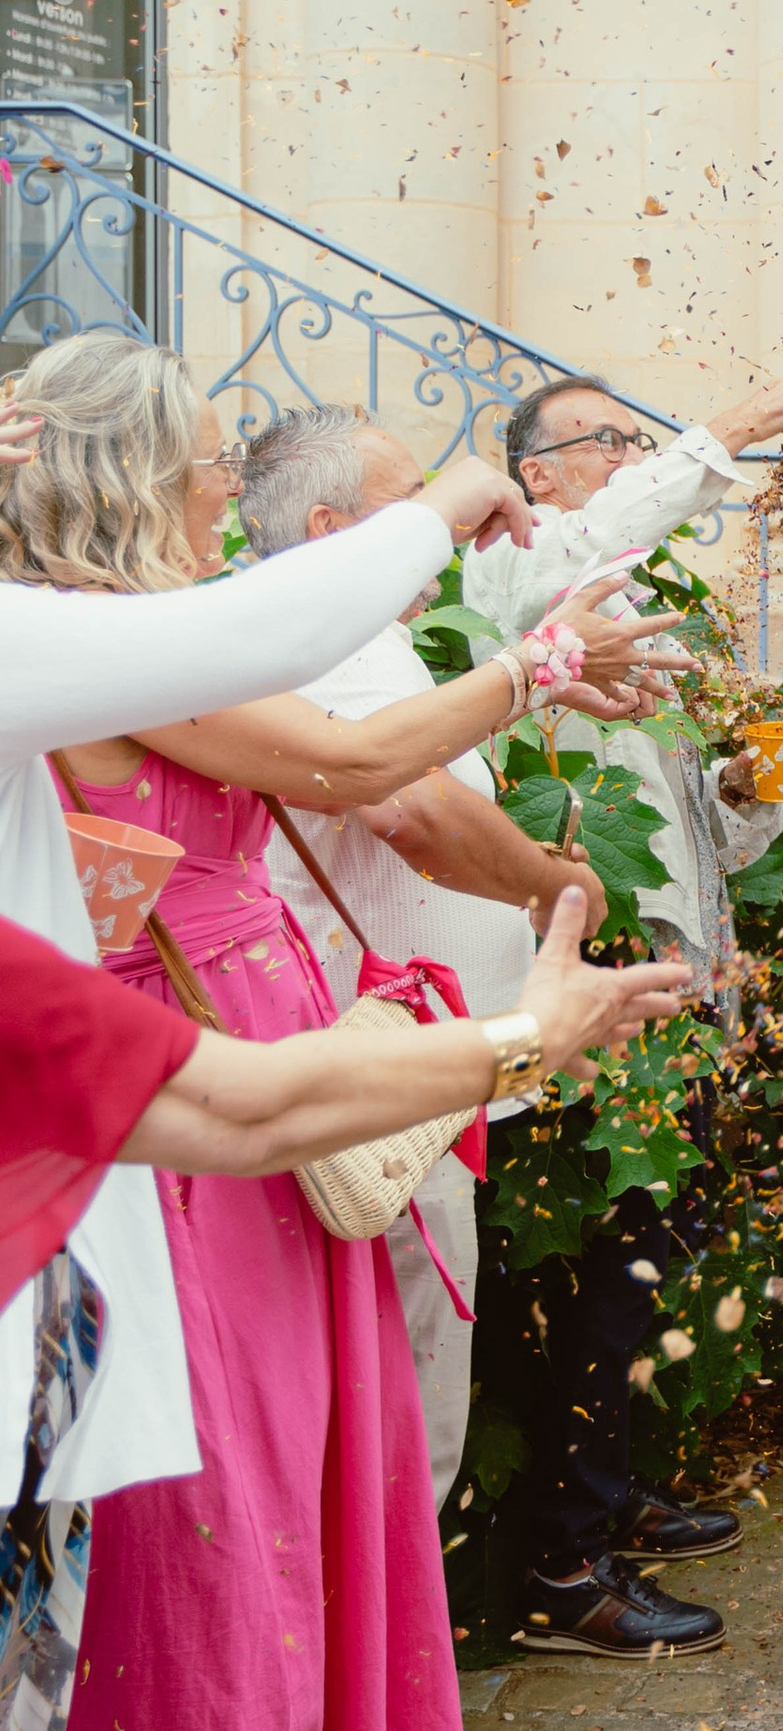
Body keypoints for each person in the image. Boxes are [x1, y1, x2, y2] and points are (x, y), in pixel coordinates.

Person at [0, 334, 671, 1731]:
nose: (230, 487)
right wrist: (531, 651)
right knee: (197, 1506)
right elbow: (338, 763)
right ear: (130, 474)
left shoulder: (169, 619)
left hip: (291, 1043)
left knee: (347, 1468)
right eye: (210, 461)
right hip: (176, 1079)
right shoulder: (105, 640)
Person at [463, 364, 783, 1656]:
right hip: (580, 1004)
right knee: (588, 1284)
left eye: (638, 438)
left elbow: (705, 847)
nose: (630, 456)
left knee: (643, 1268)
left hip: (670, 993)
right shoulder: (509, 588)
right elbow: (591, 549)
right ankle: (563, 1570)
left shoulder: (635, 622)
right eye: (603, 442)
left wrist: (745, 784)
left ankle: (609, 1502)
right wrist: (719, 435)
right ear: (538, 481)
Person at [240, 405, 603, 1518]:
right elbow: (412, 811)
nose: (439, 536)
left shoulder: (351, 634)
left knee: (404, 1405)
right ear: (328, 526)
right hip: (377, 1084)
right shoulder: (332, 634)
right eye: (414, 512)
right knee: (399, 1421)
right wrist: (559, 895)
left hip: (413, 1069)